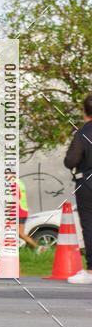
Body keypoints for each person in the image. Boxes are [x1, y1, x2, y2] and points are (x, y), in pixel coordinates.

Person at [64, 94, 92, 284]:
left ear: (84, 111)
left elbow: (71, 160)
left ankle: (91, 271)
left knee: (89, 226)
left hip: (88, 185)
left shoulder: (83, 133)